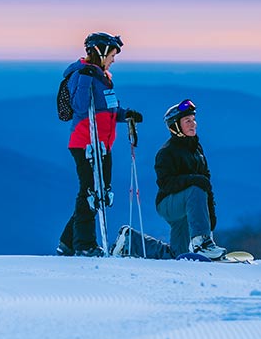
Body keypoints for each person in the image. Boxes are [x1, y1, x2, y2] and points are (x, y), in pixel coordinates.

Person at [57, 32, 143, 257]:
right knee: (90, 192)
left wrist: (127, 115)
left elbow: (109, 109)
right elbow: (80, 105)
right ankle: (84, 245)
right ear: (101, 52)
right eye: (112, 55)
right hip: (85, 142)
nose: (114, 59)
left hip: (103, 143)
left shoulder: (104, 76)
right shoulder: (81, 74)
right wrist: (85, 78)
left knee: (100, 193)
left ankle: (67, 242)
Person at [111, 99, 225, 259]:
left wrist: (210, 217)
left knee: (178, 255)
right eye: (187, 121)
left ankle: (130, 240)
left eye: (193, 120)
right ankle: (201, 243)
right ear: (176, 126)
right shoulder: (166, 153)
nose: (193, 124)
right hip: (169, 203)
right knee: (195, 189)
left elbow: (206, 183)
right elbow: (166, 184)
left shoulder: (196, 149)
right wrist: (194, 180)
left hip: (189, 206)